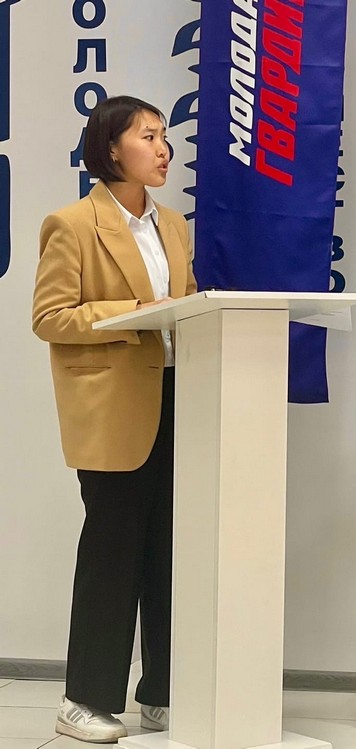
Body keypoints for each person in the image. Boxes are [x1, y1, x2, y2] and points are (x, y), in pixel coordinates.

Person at [31, 95, 196, 742]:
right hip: (113, 410)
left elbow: (184, 306)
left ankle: (161, 694)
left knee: (169, 552)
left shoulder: (173, 224)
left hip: (178, 399)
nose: (163, 148)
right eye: (148, 136)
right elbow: (50, 317)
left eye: (164, 135)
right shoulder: (72, 224)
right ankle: (84, 699)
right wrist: (134, 314)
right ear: (110, 149)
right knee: (112, 553)